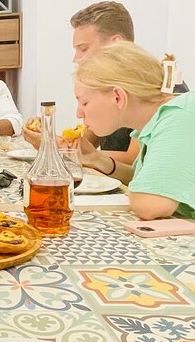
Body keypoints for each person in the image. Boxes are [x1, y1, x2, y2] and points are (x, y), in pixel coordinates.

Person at [24, 1, 188, 164]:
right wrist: (53, 140)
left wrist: (61, 149)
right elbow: (88, 143)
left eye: (84, 48)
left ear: (116, 44)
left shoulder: (164, 89)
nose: (76, 58)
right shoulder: (104, 88)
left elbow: (136, 160)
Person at [73, 41, 195, 220]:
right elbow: (147, 181)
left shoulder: (178, 116)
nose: (78, 113)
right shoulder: (154, 124)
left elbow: (151, 205)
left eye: (84, 102)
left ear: (118, 97)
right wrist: (97, 159)